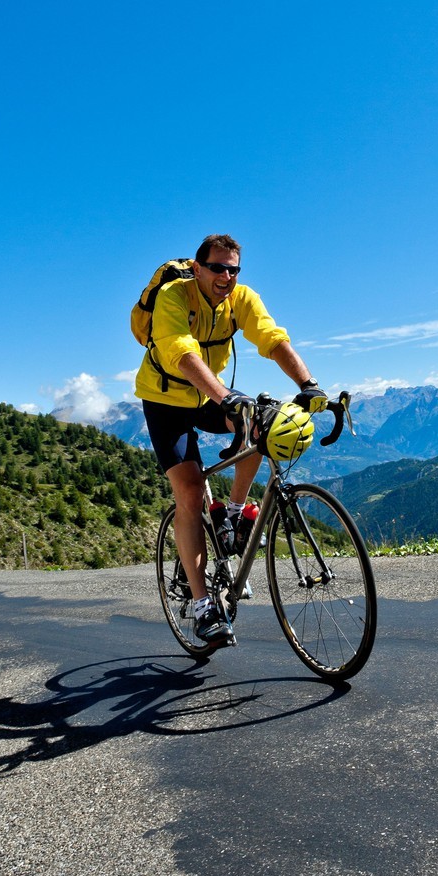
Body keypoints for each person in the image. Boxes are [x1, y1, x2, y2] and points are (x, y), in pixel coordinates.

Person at [135, 233, 327, 646]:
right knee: (188, 492)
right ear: (198, 269)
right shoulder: (174, 296)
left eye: (233, 268)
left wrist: (309, 385)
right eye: (218, 268)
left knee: (261, 425)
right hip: (166, 399)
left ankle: (234, 514)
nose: (226, 276)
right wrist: (225, 395)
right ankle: (204, 607)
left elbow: (272, 338)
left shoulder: (241, 298)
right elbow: (182, 353)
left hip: (208, 393)